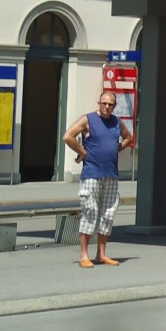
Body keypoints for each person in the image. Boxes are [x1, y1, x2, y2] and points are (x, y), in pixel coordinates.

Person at [63, 91, 134, 267]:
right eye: (104, 103)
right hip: (91, 174)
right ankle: (84, 256)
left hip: (111, 174)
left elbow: (129, 137)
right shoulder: (88, 120)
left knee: (108, 215)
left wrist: (116, 148)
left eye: (110, 104)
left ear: (114, 106)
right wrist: (83, 152)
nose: (107, 107)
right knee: (90, 212)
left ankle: (101, 254)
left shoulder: (117, 122)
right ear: (99, 103)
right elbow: (68, 136)